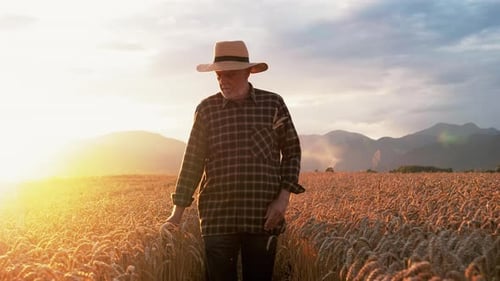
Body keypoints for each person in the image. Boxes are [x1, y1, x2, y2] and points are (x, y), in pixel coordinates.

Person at [165, 40, 305, 281]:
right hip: (218, 217)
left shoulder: (273, 104)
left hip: (263, 216)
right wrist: (176, 214)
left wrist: (283, 200)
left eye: (229, 74)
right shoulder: (206, 110)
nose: (223, 80)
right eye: (219, 74)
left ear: (248, 72)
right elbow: (192, 161)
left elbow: (292, 151)